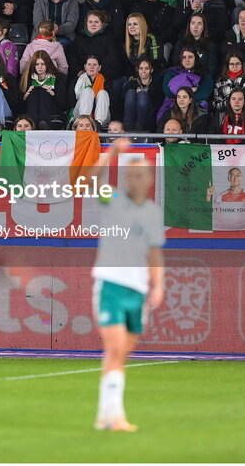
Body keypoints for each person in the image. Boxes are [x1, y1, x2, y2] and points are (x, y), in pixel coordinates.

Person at [88, 138, 165, 432]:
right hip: (110, 284)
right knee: (115, 347)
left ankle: (105, 415)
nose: (134, 180)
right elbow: (90, 181)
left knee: (122, 353)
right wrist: (111, 153)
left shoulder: (152, 213)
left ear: (148, 179)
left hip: (138, 289)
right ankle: (114, 415)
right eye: (129, 175)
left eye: (139, 175)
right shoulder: (113, 199)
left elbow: (155, 252)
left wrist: (158, 285)